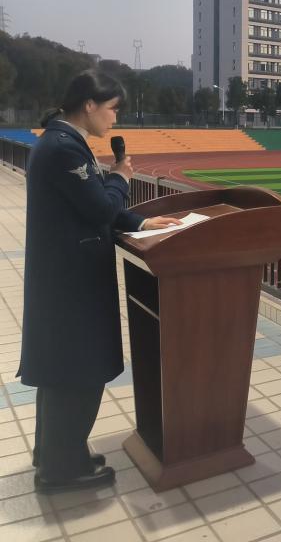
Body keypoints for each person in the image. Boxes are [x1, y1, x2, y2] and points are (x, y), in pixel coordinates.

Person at [20, 70, 180, 494]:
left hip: (64, 280)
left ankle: (57, 454)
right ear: (89, 104)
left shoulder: (60, 142)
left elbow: (89, 206)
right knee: (78, 374)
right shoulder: (63, 148)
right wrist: (121, 178)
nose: (115, 117)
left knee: (63, 374)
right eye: (112, 108)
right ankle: (61, 470)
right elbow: (97, 209)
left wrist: (140, 221)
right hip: (71, 285)